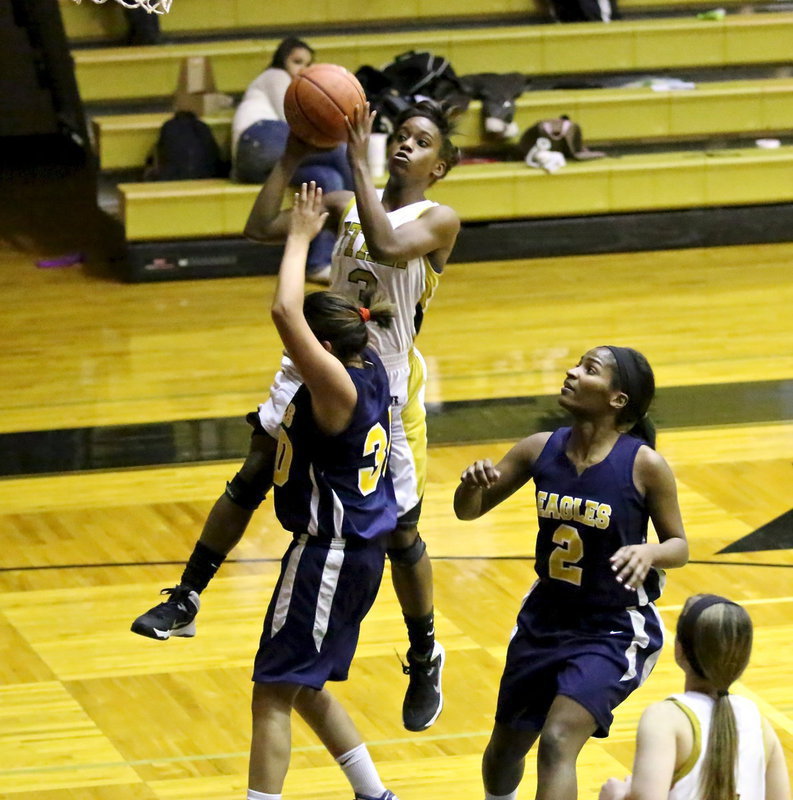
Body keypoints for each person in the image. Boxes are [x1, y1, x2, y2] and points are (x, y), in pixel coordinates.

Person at [131, 99, 461, 734]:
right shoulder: (343, 204)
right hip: (317, 362)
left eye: (420, 143)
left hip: (385, 386)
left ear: (439, 168)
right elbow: (260, 226)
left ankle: (424, 652)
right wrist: (290, 156)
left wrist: (358, 159)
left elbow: (388, 242)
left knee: (401, 534)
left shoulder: (438, 219)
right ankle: (186, 596)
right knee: (255, 469)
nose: (403, 145)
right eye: (400, 136)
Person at [453, 345, 690, 800]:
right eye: (577, 365)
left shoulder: (644, 465)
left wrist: (650, 553)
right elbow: (469, 512)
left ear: (617, 399)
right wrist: (469, 486)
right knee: (505, 750)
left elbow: (679, 546)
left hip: (613, 628)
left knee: (558, 740)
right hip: (545, 618)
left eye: (588, 370)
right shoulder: (539, 448)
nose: (571, 371)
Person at [245, 181, 397, 800]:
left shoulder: (336, 388)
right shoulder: (374, 362)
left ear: (325, 351)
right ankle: (375, 794)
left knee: (271, 690)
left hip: (327, 555)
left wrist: (301, 237)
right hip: (356, 551)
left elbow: (285, 313)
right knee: (302, 685)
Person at [600, 594, 791, 800]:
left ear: (679, 649)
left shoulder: (665, 720)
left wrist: (616, 797)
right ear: (742, 660)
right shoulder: (759, 724)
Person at [231, 36, 353, 281]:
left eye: (307, 64)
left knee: (327, 180)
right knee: (339, 148)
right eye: (297, 61)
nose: (303, 69)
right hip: (259, 138)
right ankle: (365, 220)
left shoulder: (293, 81)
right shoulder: (275, 76)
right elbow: (295, 118)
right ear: (281, 60)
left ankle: (318, 263)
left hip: (266, 163)